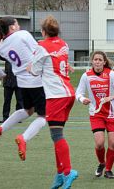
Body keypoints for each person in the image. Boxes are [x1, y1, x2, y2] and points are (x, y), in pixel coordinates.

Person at [0, 17, 47, 161]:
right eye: (17, 23)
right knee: (43, 116)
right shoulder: (23, 34)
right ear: (12, 27)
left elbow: (4, 53)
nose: (19, 26)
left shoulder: (0, 47)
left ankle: (0, 129)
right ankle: (23, 138)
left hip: (22, 82)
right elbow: (39, 52)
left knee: (27, 110)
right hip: (37, 80)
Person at [27, 15, 78, 189]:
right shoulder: (64, 44)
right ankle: (60, 175)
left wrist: (29, 67)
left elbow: (34, 71)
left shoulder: (41, 46)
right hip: (68, 93)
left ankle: (68, 171)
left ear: (43, 31)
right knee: (57, 135)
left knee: (56, 136)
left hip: (56, 95)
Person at [75, 50, 114, 179]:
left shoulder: (111, 74)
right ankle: (101, 163)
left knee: (113, 143)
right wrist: (83, 100)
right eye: (95, 59)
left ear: (104, 62)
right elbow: (78, 93)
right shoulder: (86, 76)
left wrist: (113, 96)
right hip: (96, 114)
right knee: (99, 143)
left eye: (100, 60)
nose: (97, 62)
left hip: (112, 114)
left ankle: (108, 170)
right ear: (92, 61)